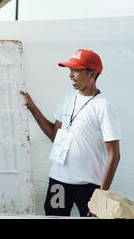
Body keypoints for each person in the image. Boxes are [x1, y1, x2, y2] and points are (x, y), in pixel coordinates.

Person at [20, 49, 121, 217]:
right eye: (69, 70)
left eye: (76, 70)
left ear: (92, 73)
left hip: (88, 185)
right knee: (54, 217)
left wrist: (101, 197)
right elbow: (55, 135)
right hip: (58, 182)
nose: (70, 75)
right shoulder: (69, 98)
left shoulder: (104, 106)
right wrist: (32, 107)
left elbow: (114, 155)